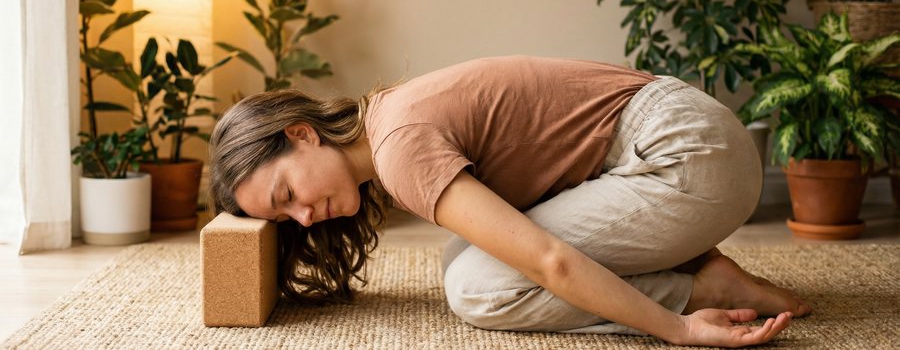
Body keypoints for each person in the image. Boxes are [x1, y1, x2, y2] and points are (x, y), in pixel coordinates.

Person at [208, 55, 810, 347]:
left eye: (289, 194)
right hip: (686, 134)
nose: (305, 217)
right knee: (458, 259)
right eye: (285, 218)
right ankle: (703, 268)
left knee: (478, 287)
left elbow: (551, 260)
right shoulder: (385, 117)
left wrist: (678, 328)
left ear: (303, 134)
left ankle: (700, 291)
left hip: (689, 159)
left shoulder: (399, 151)